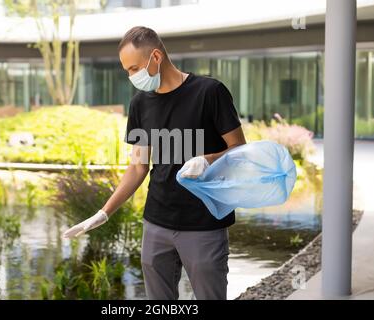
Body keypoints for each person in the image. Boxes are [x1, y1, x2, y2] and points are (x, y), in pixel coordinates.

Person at [63, 26, 247, 300]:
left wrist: (207, 160)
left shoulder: (210, 92)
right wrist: (104, 212)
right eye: (127, 70)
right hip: (156, 223)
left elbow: (239, 149)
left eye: (134, 68)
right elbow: (138, 167)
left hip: (204, 224)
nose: (131, 76)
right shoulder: (140, 104)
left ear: (156, 57)